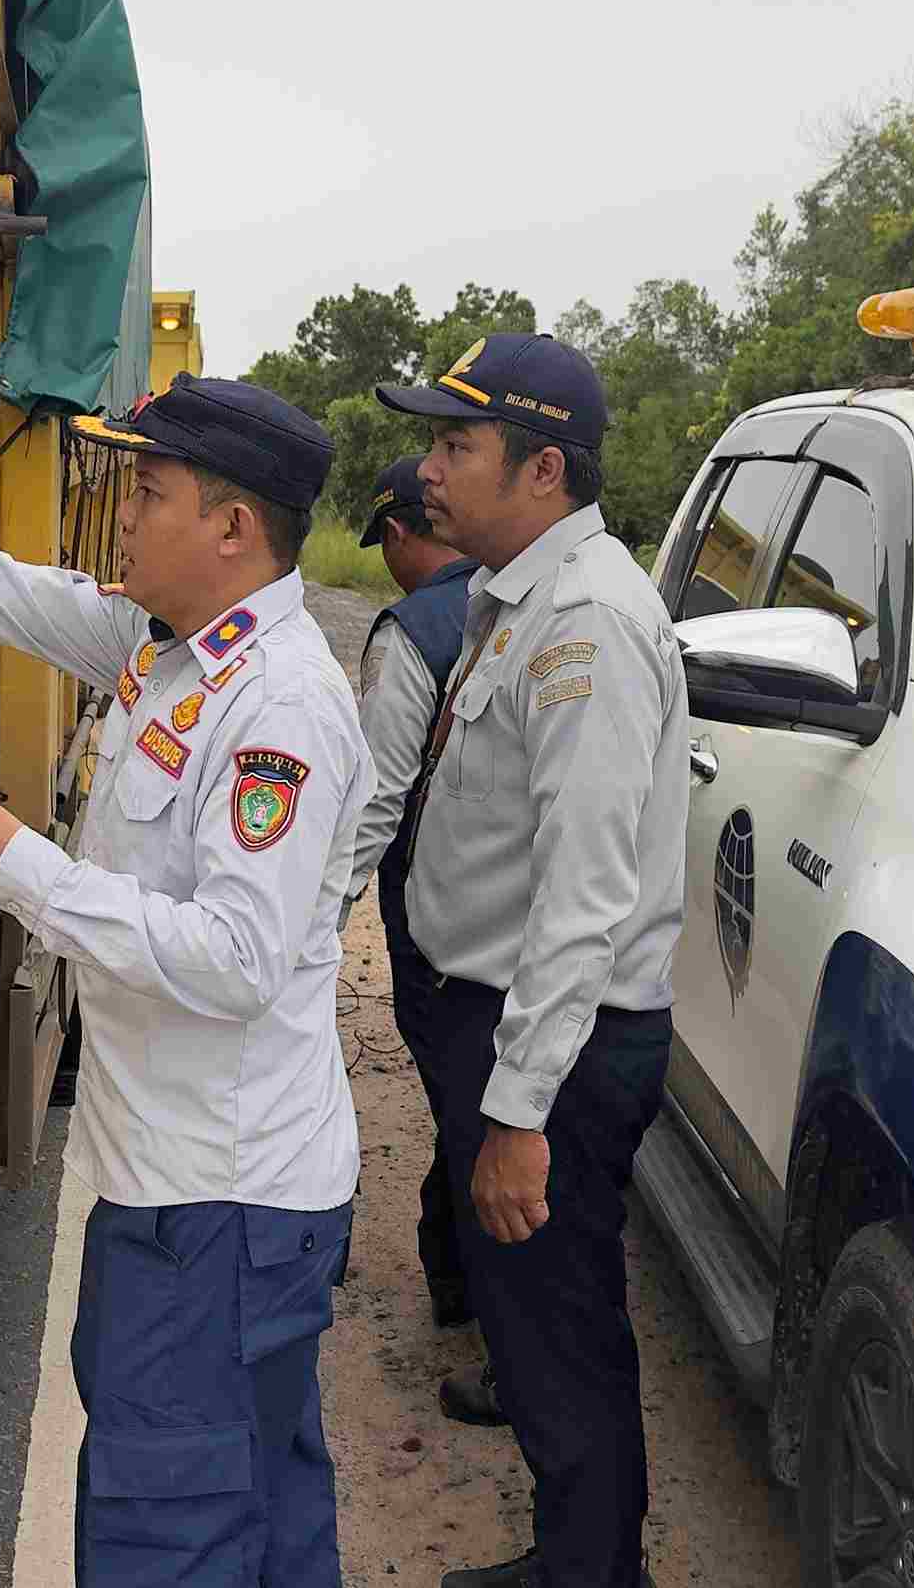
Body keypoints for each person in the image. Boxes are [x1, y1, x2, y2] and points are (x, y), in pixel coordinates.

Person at [0, 374, 370, 1588]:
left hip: (216, 1207)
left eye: (149, 493)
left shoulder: (277, 705)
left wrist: (19, 869)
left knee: (165, 1531)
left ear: (233, 527)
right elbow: (32, 599)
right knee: (260, 1509)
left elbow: (234, 958)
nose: (121, 514)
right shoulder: (173, 651)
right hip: (194, 1190)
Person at [373, 335, 688, 1588]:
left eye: (456, 445)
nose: (428, 469)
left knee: (561, 1335)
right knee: (531, 1325)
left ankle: (592, 1573)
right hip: (505, 1023)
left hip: (551, 1041)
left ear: (542, 469)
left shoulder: (587, 623)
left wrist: (516, 1114)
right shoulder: (519, 595)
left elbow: (583, 893)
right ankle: (573, 1556)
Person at [341, 458, 491, 1365]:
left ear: (398, 534)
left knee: (465, 1105)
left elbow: (376, 800)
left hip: (433, 917)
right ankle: (453, 1265)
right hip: (511, 912)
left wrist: (325, 913)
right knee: (484, 1097)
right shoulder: (516, 599)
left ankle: (467, 1282)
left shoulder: (412, 630)